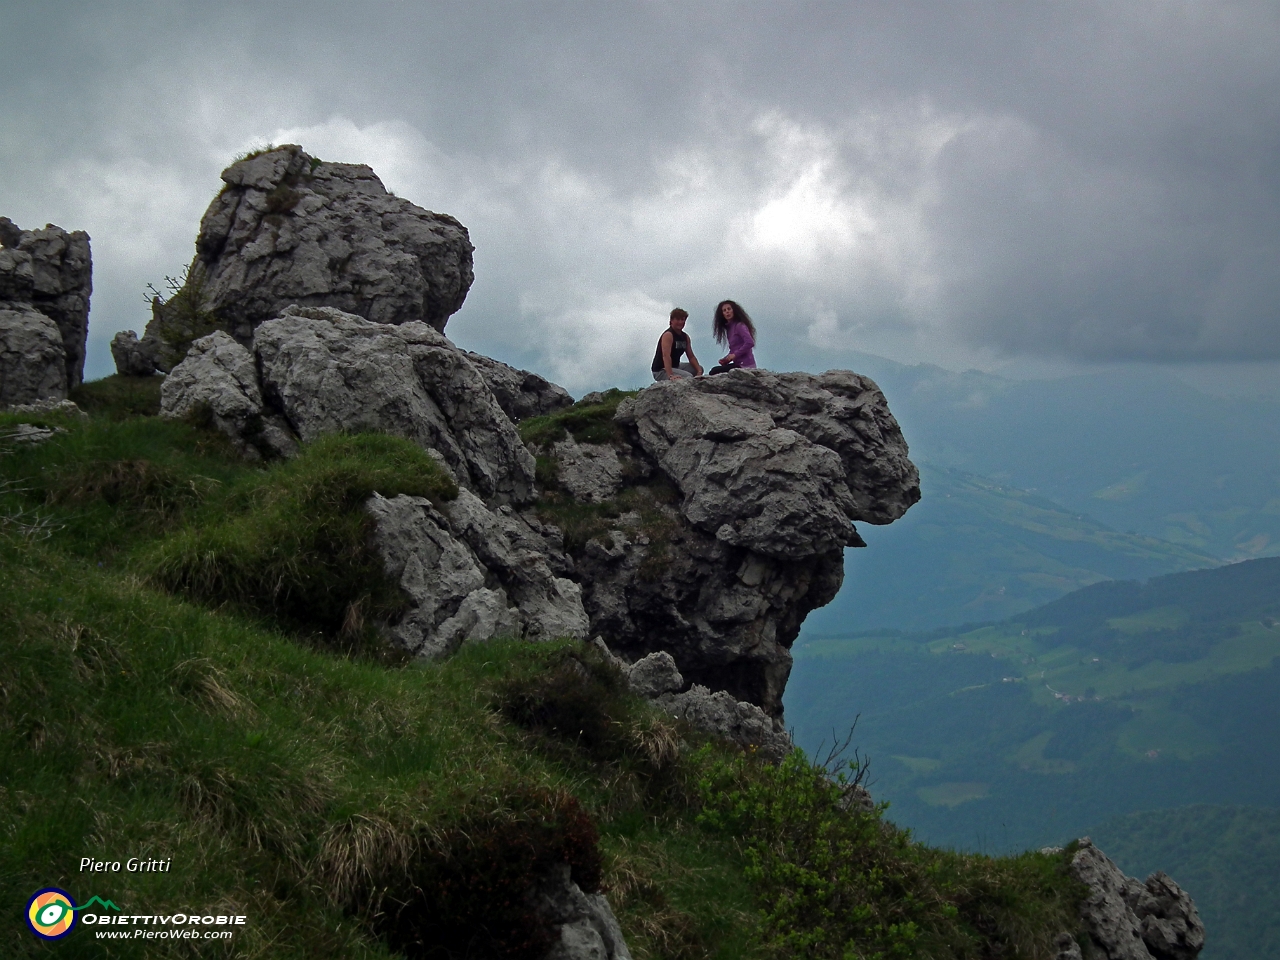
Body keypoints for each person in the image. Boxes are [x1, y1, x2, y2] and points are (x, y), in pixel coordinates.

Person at [651, 307, 703, 380]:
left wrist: (699, 371)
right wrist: (671, 375)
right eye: (678, 319)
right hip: (661, 370)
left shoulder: (685, 337)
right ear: (671, 321)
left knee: (698, 368)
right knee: (688, 376)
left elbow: (691, 356)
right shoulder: (668, 335)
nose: (681, 322)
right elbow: (666, 356)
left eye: (682, 319)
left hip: (675, 366)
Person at [709, 300, 757, 375]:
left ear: (734, 310)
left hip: (745, 365)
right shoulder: (729, 329)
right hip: (738, 364)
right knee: (714, 370)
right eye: (724, 310)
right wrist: (727, 359)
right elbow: (734, 349)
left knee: (714, 371)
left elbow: (750, 342)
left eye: (729, 309)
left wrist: (734, 355)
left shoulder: (740, 325)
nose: (727, 312)